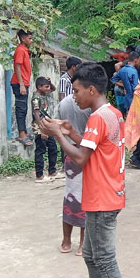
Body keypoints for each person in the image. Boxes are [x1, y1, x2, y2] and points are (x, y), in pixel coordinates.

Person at [38, 62, 130, 278]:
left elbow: (80, 158)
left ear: (91, 90)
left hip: (102, 197)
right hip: (106, 194)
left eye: (76, 91)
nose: (73, 96)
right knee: (90, 254)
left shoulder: (96, 118)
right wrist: (70, 132)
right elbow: (94, 147)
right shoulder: (112, 113)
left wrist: (59, 135)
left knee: (104, 259)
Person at [57, 95, 91, 256]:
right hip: (87, 150)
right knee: (86, 196)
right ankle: (82, 243)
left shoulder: (63, 103)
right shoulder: (90, 102)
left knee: (70, 195)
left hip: (70, 150)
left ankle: (66, 241)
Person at [31, 77, 58, 182]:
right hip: (39, 127)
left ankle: (52, 171)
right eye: (46, 87)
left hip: (47, 125)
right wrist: (42, 129)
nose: (48, 89)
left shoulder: (43, 94)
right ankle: (39, 175)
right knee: (40, 150)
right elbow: (36, 114)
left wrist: (49, 82)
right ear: (39, 87)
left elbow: (53, 89)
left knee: (53, 148)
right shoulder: (36, 98)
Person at [11, 30, 34, 146]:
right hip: (20, 83)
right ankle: (21, 135)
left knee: (23, 108)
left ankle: (24, 131)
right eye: (29, 38)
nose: (31, 40)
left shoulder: (24, 50)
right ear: (23, 38)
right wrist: (21, 84)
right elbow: (17, 67)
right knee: (21, 109)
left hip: (23, 83)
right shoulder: (20, 50)